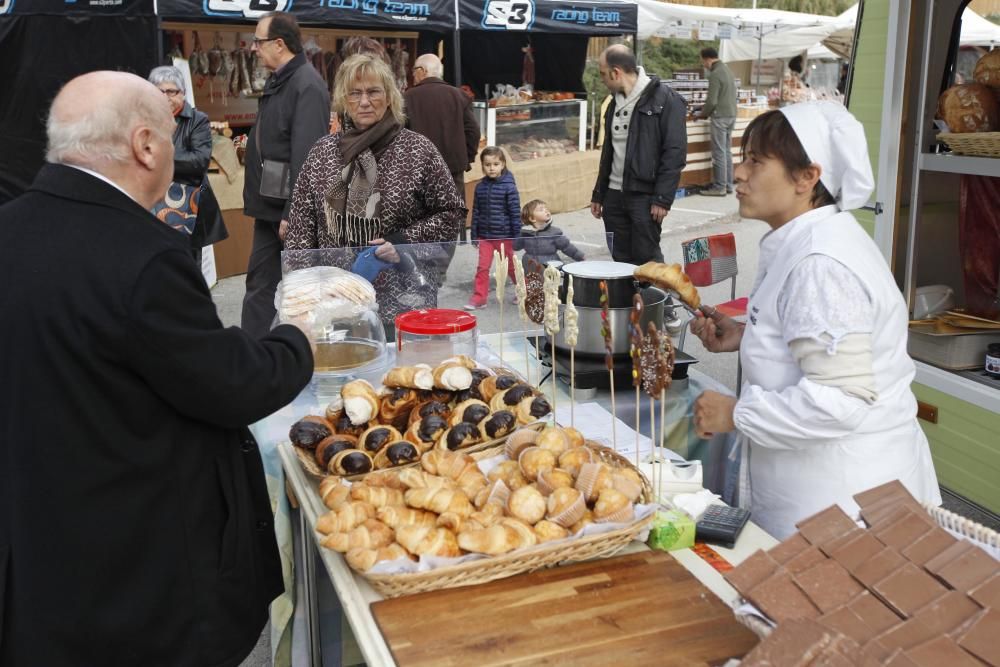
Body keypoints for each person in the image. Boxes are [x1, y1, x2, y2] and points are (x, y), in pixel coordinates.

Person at [0, 71, 314, 666]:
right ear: (146, 146)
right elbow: (229, 385)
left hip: (38, 557)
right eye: (170, 137)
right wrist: (298, 338)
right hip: (134, 578)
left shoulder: (8, 229)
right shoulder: (142, 256)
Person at [689, 103, 940, 540]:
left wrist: (737, 412)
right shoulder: (812, 240)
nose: (740, 173)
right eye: (743, 157)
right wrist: (750, 338)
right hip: (830, 493)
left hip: (841, 504)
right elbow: (819, 341)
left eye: (755, 161)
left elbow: (839, 400)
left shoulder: (820, 263)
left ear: (807, 177)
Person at [285, 54, 465, 331]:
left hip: (404, 303)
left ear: (390, 96)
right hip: (335, 306)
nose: (364, 101)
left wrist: (403, 242)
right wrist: (304, 295)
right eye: (354, 93)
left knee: (400, 373)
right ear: (344, 100)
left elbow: (451, 213)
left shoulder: (416, 150)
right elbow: (301, 229)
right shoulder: (322, 153)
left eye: (373, 91)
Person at [242, 11, 331, 338]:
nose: (254, 48)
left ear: (279, 44)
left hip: (287, 213)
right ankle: (255, 355)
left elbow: (307, 155)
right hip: (271, 207)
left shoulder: (306, 85)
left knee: (297, 293)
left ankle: (288, 356)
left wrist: (293, 212)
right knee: (260, 286)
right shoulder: (281, 79)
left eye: (258, 41)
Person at [590, 44, 687, 265]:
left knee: (647, 259)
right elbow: (609, 150)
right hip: (613, 198)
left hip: (645, 197)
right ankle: (628, 300)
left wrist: (662, 199)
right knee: (620, 262)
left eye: (603, 74)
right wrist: (599, 193)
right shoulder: (613, 102)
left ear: (616, 72)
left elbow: (675, 153)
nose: (602, 80)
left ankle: (658, 298)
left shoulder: (666, 99)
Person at [148, 65, 229, 265]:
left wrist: (157, 155)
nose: (165, 97)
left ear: (182, 93)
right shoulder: (145, 120)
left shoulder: (197, 120)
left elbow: (199, 161)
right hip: (152, 201)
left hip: (185, 204)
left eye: (171, 91)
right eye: (159, 91)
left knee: (187, 265)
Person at [404, 53, 480, 243]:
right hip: (452, 171)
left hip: (418, 173)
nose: (413, 76)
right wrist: (466, 159)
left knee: (422, 222)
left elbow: (398, 136)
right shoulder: (459, 96)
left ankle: (426, 266)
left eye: (414, 71)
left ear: (422, 71)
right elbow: (473, 132)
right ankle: (441, 265)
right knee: (449, 220)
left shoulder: (407, 97)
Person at [466, 146, 519, 310]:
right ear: (482, 166)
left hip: (504, 235)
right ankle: (479, 298)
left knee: (511, 266)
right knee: (482, 267)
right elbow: (475, 211)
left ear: (502, 164)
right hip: (485, 237)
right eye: (488, 164)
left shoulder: (509, 187)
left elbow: (515, 211)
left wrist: (517, 235)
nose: (491, 168)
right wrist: (474, 234)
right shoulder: (480, 187)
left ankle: (522, 291)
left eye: (495, 164)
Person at [696, 47, 737, 197]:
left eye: (702, 61)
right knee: (726, 151)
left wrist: (702, 114)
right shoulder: (727, 71)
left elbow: (712, 101)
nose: (703, 64)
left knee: (719, 152)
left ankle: (719, 187)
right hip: (731, 115)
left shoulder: (715, 74)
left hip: (720, 116)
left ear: (707, 59)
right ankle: (728, 185)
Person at [515, 199, 585, 267]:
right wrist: (515, 233)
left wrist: (579, 256)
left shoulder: (554, 233)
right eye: (541, 209)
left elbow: (566, 247)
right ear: (532, 219)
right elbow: (515, 247)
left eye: (546, 208)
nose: (546, 210)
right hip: (530, 266)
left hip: (550, 266)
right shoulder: (525, 233)